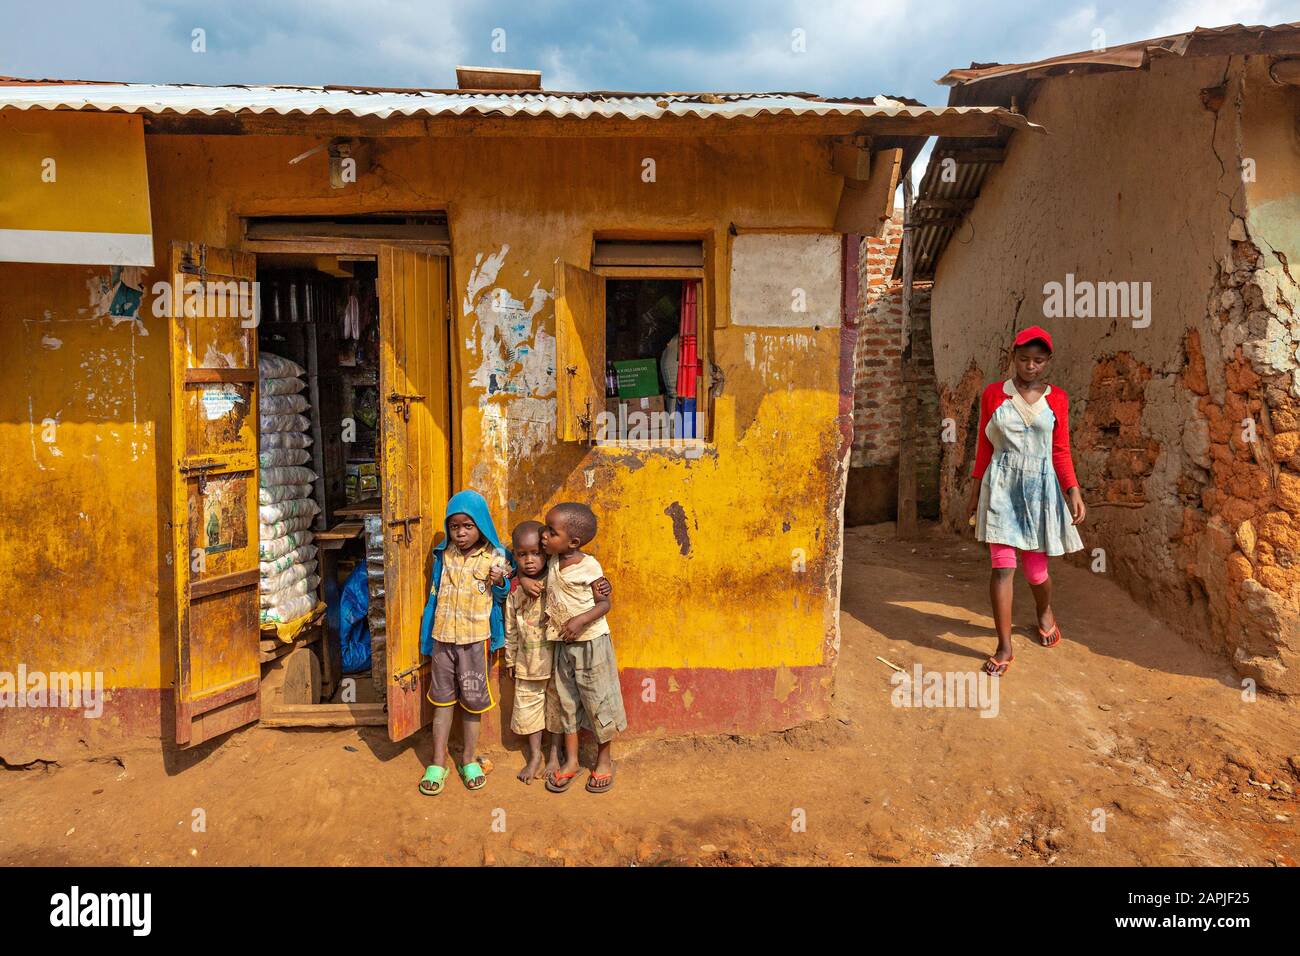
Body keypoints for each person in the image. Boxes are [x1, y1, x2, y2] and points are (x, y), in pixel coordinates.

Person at [966, 326, 1086, 677]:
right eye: (1023, 359)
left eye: (1037, 360)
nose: (1030, 366)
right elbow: (984, 447)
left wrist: (1073, 490)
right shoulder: (993, 394)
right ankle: (1004, 646)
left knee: (1036, 572)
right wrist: (975, 497)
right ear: (1012, 357)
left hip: (1041, 491)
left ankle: (1044, 611)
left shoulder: (1058, 400)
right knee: (1003, 568)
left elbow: (1060, 450)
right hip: (1001, 486)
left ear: (1047, 362)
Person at [415, 490, 511, 795]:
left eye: (468, 526)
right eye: (454, 526)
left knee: (472, 703)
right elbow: (434, 592)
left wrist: (500, 581)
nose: (460, 533)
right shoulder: (443, 556)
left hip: (475, 640)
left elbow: (503, 594)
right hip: (444, 638)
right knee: (442, 703)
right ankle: (438, 762)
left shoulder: (496, 556)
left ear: (480, 525)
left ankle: (469, 759)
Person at [540, 502, 626, 794]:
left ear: (573, 542)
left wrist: (579, 621)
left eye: (551, 532)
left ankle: (603, 760)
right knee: (567, 703)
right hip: (564, 647)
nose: (543, 536)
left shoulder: (590, 566)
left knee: (598, 701)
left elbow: (604, 603)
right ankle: (572, 761)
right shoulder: (551, 560)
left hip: (592, 645)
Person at [503, 520, 554, 784]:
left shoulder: (555, 578)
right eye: (522, 555)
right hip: (527, 662)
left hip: (557, 662)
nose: (530, 561)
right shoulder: (514, 590)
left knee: (557, 709)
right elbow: (510, 627)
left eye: (536, 553)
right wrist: (510, 658)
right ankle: (535, 755)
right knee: (529, 710)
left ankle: (554, 755)